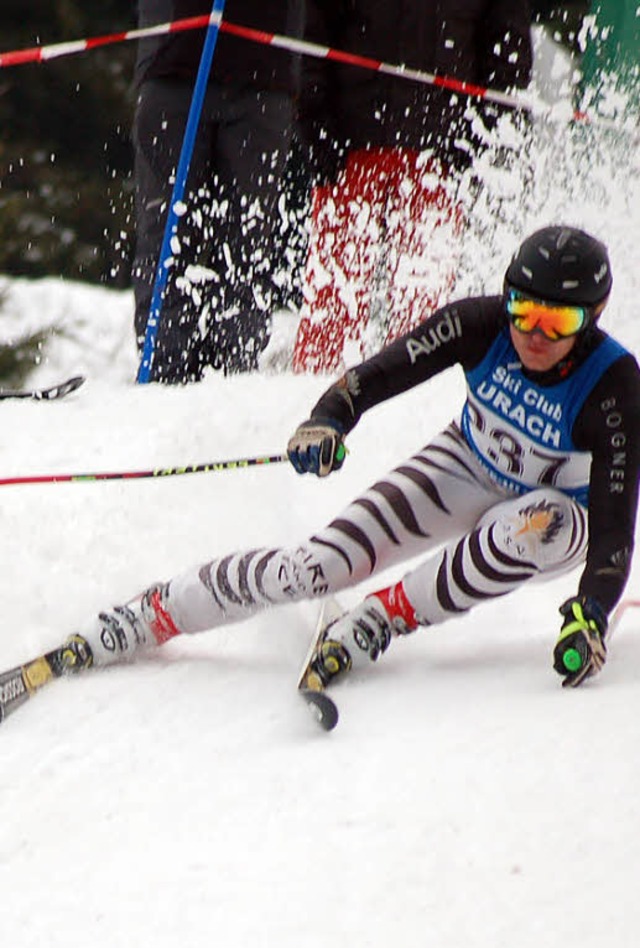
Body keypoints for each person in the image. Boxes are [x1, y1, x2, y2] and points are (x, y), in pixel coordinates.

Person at [56, 226, 639, 693]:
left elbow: (616, 519)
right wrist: (327, 419)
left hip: (560, 518)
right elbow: (381, 372)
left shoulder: (613, 386)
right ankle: (156, 612)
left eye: (557, 321)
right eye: (523, 309)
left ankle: (384, 617)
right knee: (316, 567)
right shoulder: (479, 323)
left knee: (538, 523)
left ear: (592, 319)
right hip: (464, 466)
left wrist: (591, 612)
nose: (533, 333)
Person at [292, 0, 534, 374]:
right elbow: (314, 30)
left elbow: (508, 43)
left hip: (439, 149)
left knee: (422, 305)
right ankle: (315, 395)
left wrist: (482, 131)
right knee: (332, 303)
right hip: (351, 142)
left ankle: (417, 394)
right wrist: (314, 119)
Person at [132, 1, 299, 383]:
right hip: (173, 69)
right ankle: (163, 368)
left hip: (263, 77)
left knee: (250, 235)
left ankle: (236, 368)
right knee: (168, 231)